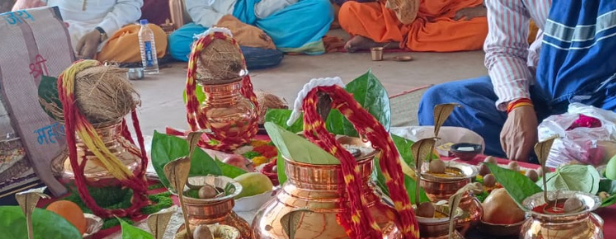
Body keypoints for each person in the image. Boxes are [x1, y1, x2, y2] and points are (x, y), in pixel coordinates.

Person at [418, 0, 616, 161]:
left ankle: (555, 154)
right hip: (547, 89)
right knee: (440, 104)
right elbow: (504, 48)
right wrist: (518, 105)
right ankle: (582, 155)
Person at [168, 0, 334, 69]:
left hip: (267, 21)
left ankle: (245, 47)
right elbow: (199, 13)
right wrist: (236, 29)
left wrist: (257, 10)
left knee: (321, 7)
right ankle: (257, 46)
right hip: (223, 25)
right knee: (177, 41)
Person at [11, 0, 167, 64]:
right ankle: (80, 60)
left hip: (107, 33)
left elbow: (130, 6)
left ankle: (64, 60)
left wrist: (100, 32)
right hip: (60, 30)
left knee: (154, 36)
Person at [339, 0, 487, 53]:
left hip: (455, 10)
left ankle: (391, 42)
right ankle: (406, 38)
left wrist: (484, 8)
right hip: (401, 14)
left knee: (485, 28)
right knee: (348, 12)